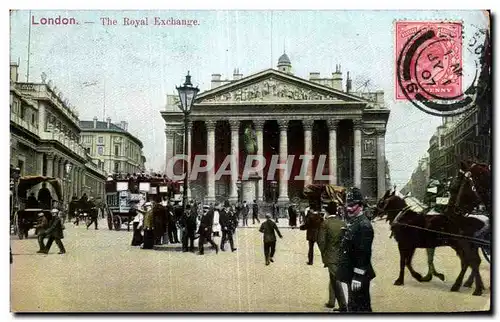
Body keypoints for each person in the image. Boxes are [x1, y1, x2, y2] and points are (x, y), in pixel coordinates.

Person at [337, 187, 376, 312]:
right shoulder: (356, 222)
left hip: (358, 275)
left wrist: (358, 276)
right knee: (354, 306)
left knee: (361, 308)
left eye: (352, 205)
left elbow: (364, 253)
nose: (348, 208)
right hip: (352, 273)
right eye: (348, 204)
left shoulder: (364, 225)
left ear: (360, 205)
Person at [317, 201, 347, 312]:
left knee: (336, 279)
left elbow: (321, 241)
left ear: (327, 211)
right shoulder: (342, 223)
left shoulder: (325, 223)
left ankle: (343, 305)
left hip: (330, 255)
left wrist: (324, 254)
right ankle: (331, 301)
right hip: (341, 255)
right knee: (332, 277)